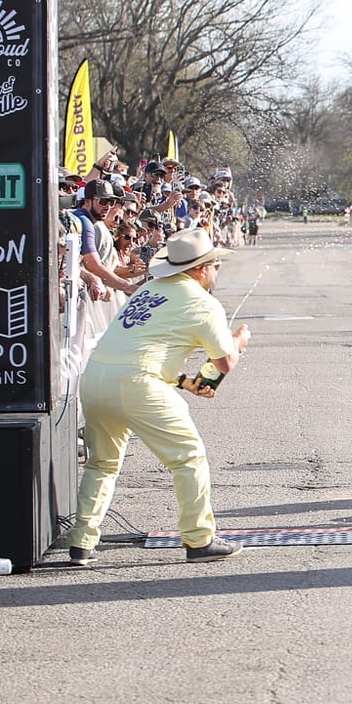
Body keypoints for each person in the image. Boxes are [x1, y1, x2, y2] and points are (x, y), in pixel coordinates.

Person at [62, 228, 251, 565]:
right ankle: (199, 539)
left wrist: (183, 381)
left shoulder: (149, 290)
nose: (216, 270)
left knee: (101, 463)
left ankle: (82, 542)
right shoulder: (204, 303)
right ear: (200, 269)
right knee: (188, 457)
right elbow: (224, 363)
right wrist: (238, 341)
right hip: (139, 384)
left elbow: (139, 346)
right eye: (214, 265)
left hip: (96, 379)